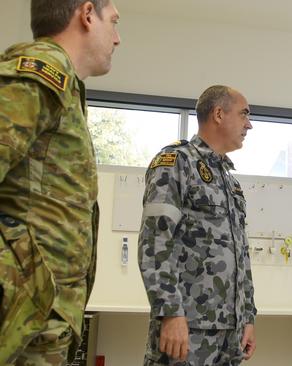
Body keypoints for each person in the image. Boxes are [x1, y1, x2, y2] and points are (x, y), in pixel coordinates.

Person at [0, 0, 120, 364]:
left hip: (42, 320)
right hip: (27, 317)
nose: (117, 39)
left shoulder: (64, 83)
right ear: (86, 15)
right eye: (113, 23)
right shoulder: (41, 71)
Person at [138, 85, 256, 366]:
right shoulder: (176, 162)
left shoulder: (229, 181)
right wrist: (170, 313)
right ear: (218, 114)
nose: (249, 125)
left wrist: (248, 316)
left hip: (230, 331)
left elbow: (241, 254)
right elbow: (155, 240)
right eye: (243, 114)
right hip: (188, 325)